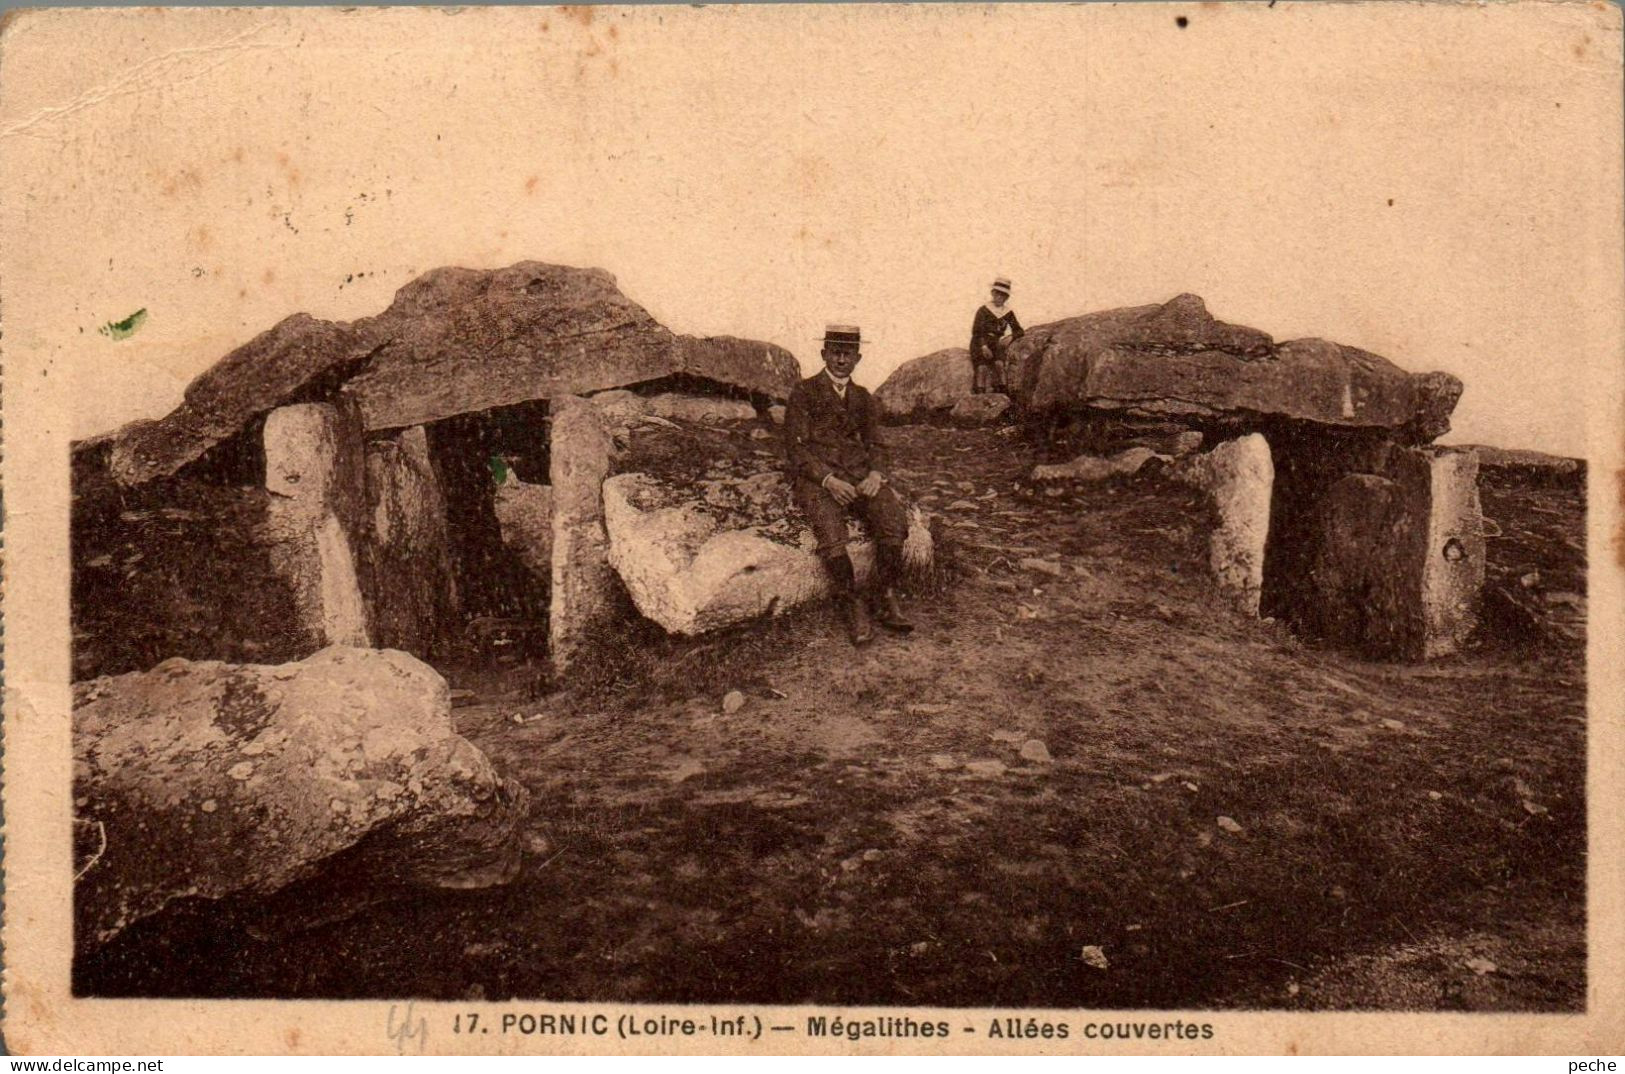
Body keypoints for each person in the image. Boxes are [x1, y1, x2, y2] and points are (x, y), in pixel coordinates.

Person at [783, 325, 915, 646]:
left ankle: (882, 595)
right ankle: (852, 603)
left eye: (848, 353)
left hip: (859, 475)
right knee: (831, 536)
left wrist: (876, 475)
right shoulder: (804, 392)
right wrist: (827, 479)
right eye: (835, 351)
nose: (841, 358)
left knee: (894, 523)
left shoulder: (863, 397)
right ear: (824, 354)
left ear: (858, 358)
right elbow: (795, 448)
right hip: (819, 478)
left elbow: (878, 445)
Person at [969, 276, 1024, 394]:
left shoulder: (1008, 313)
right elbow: (977, 331)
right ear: (992, 293)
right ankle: (980, 393)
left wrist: (1011, 337)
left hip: (996, 342)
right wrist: (984, 346)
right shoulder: (983, 310)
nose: (1000, 297)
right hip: (980, 341)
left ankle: (1003, 392)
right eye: (998, 294)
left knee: (999, 364)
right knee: (982, 367)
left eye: (1004, 295)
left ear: (1007, 297)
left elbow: (1019, 330)